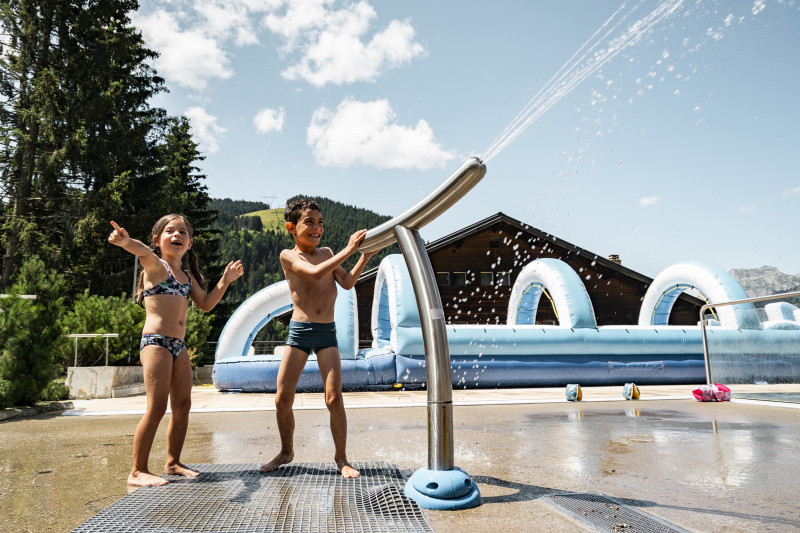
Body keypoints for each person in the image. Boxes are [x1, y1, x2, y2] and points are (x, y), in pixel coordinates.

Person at [108, 215, 243, 486]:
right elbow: (142, 251)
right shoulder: (156, 267)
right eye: (169, 231)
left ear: (190, 243)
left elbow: (205, 303)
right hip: (156, 342)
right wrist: (125, 242)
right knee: (157, 406)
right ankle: (137, 470)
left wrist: (225, 280)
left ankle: (172, 462)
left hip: (178, 346)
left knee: (183, 405)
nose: (176, 235)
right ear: (157, 240)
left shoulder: (187, 276)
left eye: (182, 232)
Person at [260, 199, 379, 478]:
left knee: (334, 398)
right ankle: (286, 451)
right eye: (309, 222)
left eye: (320, 222)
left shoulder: (326, 252)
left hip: (327, 333)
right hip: (299, 333)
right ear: (292, 227)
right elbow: (314, 273)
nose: (317, 228)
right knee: (281, 399)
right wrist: (349, 249)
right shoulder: (288, 256)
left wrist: (363, 257)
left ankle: (341, 458)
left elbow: (347, 282)